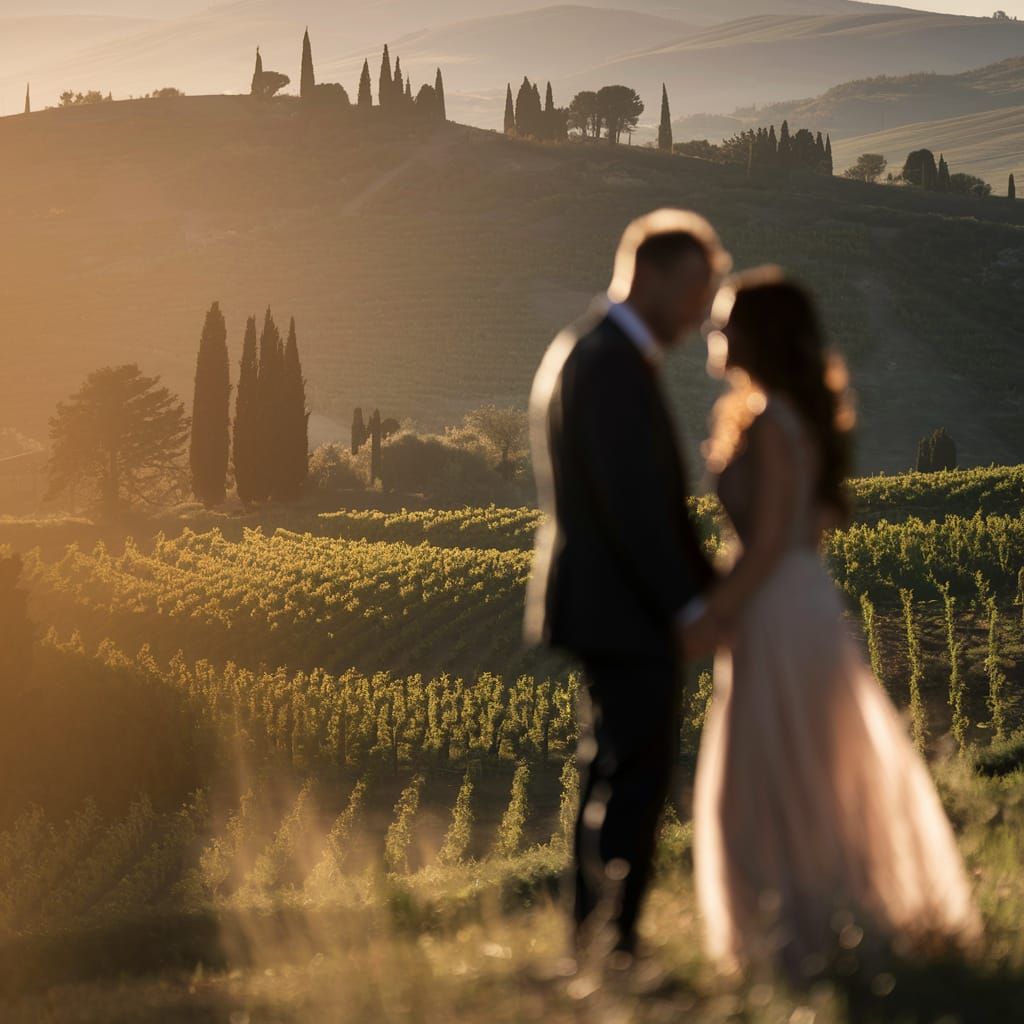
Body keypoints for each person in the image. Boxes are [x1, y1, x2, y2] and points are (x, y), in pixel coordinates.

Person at [692, 266, 982, 980]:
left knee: (775, 766)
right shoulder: (794, 417)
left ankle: (798, 938)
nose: (714, 331)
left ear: (759, 334)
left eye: (727, 320)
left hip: (777, 606)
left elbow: (765, 544)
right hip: (799, 600)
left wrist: (714, 612)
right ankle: (819, 927)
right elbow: (808, 526)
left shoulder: (770, 424)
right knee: (804, 761)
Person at [524, 209, 730, 962]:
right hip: (622, 605)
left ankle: (597, 935)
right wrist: (691, 603)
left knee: (615, 767)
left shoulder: (591, 349)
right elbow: (635, 505)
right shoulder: (610, 361)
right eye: (692, 290)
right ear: (647, 275)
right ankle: (613, 943)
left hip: (604, 600)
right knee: (634, 774)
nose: (698, 311)